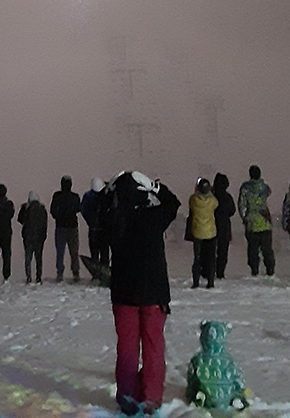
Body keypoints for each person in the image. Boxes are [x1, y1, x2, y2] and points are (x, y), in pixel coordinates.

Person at [108, 170, 180, 416]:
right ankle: (151, 396)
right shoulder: (153, 217)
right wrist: (155, 186)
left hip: (123, 294)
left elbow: (94, 211)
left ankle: (126, 394)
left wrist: (110, 189)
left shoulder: (114, 220)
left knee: (127, 348)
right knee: (153, 346)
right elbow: (174, 205)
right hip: (153, 293)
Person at [238, 165, 275, 276]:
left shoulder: (245, 188)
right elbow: (269, 192)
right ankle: (270, 271)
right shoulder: (264, 187)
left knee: (253, 250)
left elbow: (242, 205)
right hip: (265, 221)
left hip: (252, 224)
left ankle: (255, 271)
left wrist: (245, 218)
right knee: (267, 250)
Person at [188, 178, 218, 289]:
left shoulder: (193, 199)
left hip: (197, 231)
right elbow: (216, 204)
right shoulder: (212, 201)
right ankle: (210, 282)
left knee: (197, 258)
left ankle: (196, 282)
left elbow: (191, 205)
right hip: (210, 232)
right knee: (211, 258)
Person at [51, 175, 81, 283]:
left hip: (60, 227)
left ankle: (60, 273)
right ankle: (75, 273)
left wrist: (59, 215)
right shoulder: (75, 197)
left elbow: (52, 211)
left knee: (60, 252)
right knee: (74, 252)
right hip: (72, 227)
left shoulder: (57, 196)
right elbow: (78, 208)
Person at [18, 191, 48, 283]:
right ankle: (38, 277)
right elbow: (44, 224)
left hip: (28, 237)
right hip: (39, 237)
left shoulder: (27, 208)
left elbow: (20, 219)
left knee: (28, 258)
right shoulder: (42, 209)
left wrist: (23, 208)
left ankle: (29, 277)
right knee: (39, 258)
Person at [81, 177, 110, 266]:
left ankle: (96, 272)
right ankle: (104, 270)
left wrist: (89, 222)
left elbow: (83, 210)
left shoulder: (87, 196)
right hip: (103, 230)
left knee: (94, 254)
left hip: (93, 229)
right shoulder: (106, 197)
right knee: (104, 253)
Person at [212, 173, 235, 279]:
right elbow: (232, 211)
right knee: (222, 251)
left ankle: (209, 270)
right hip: (224, 227)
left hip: (210, 226)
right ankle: (220, 272)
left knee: (210, 250)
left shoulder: (210, 196)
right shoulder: (227, 197)